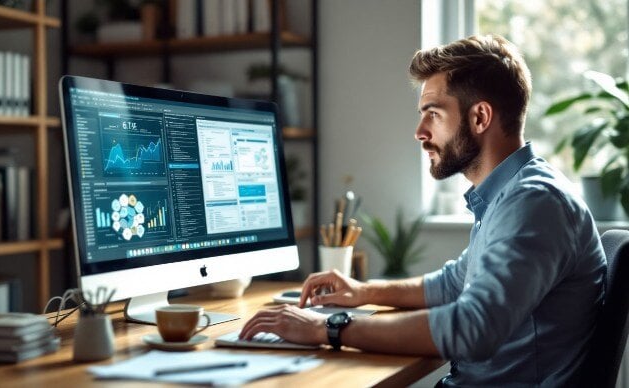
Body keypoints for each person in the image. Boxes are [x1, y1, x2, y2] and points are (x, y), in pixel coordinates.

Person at [240, 34, 607, 386]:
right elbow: (452, 284)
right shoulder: (508, 196)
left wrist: (325, 328)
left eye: (433, 113)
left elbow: (472, 328)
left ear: (480, 117)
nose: (419, 131)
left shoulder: (535, 202)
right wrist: (363, 292)